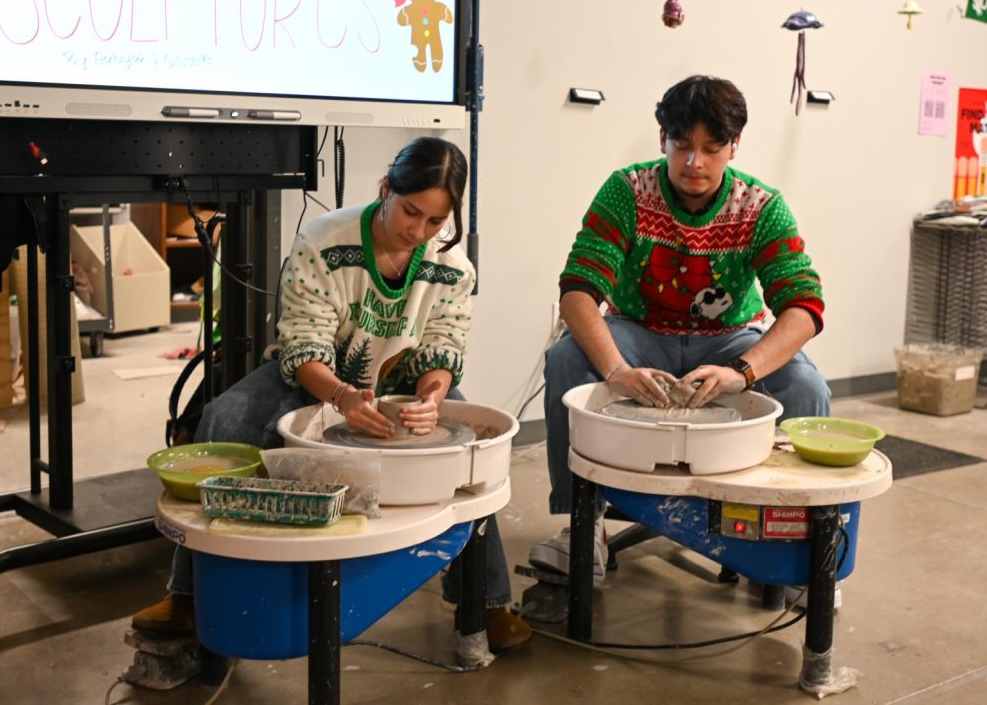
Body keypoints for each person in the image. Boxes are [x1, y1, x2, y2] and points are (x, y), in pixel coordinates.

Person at [134, 136, 531, 651]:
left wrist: (432, 396)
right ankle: (190, 595)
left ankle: (485, 602)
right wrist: (344, 398)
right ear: (386, 188)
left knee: (472, 458)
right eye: (411, 211)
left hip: (401, 385)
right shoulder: (324, 242)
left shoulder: (451, 266)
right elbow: (302, 344)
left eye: (436, 221)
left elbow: (443, 346)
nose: (419, 230)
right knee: (224, 418)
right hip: (312, 374)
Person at [529, 75, 830, 581]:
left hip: (731, 336)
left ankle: (795, 547)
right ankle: (584, 527)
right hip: (637, 329)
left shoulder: (761, 206)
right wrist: (617, 369)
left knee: (807, 387)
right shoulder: (628, 190)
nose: (695, 163)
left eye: (712, 149)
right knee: (565, 360)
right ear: (661, 139)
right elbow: (578, 290)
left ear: (735, 145)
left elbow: (803, 307)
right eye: (682, 146)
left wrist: (742, 371)